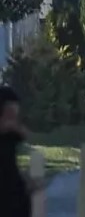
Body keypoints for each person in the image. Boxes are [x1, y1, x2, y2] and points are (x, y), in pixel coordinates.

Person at [0, 86, 32, 217]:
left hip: (14, 199)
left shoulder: (11, 136)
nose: (13, 119)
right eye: (9, 114)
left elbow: (24, 134)